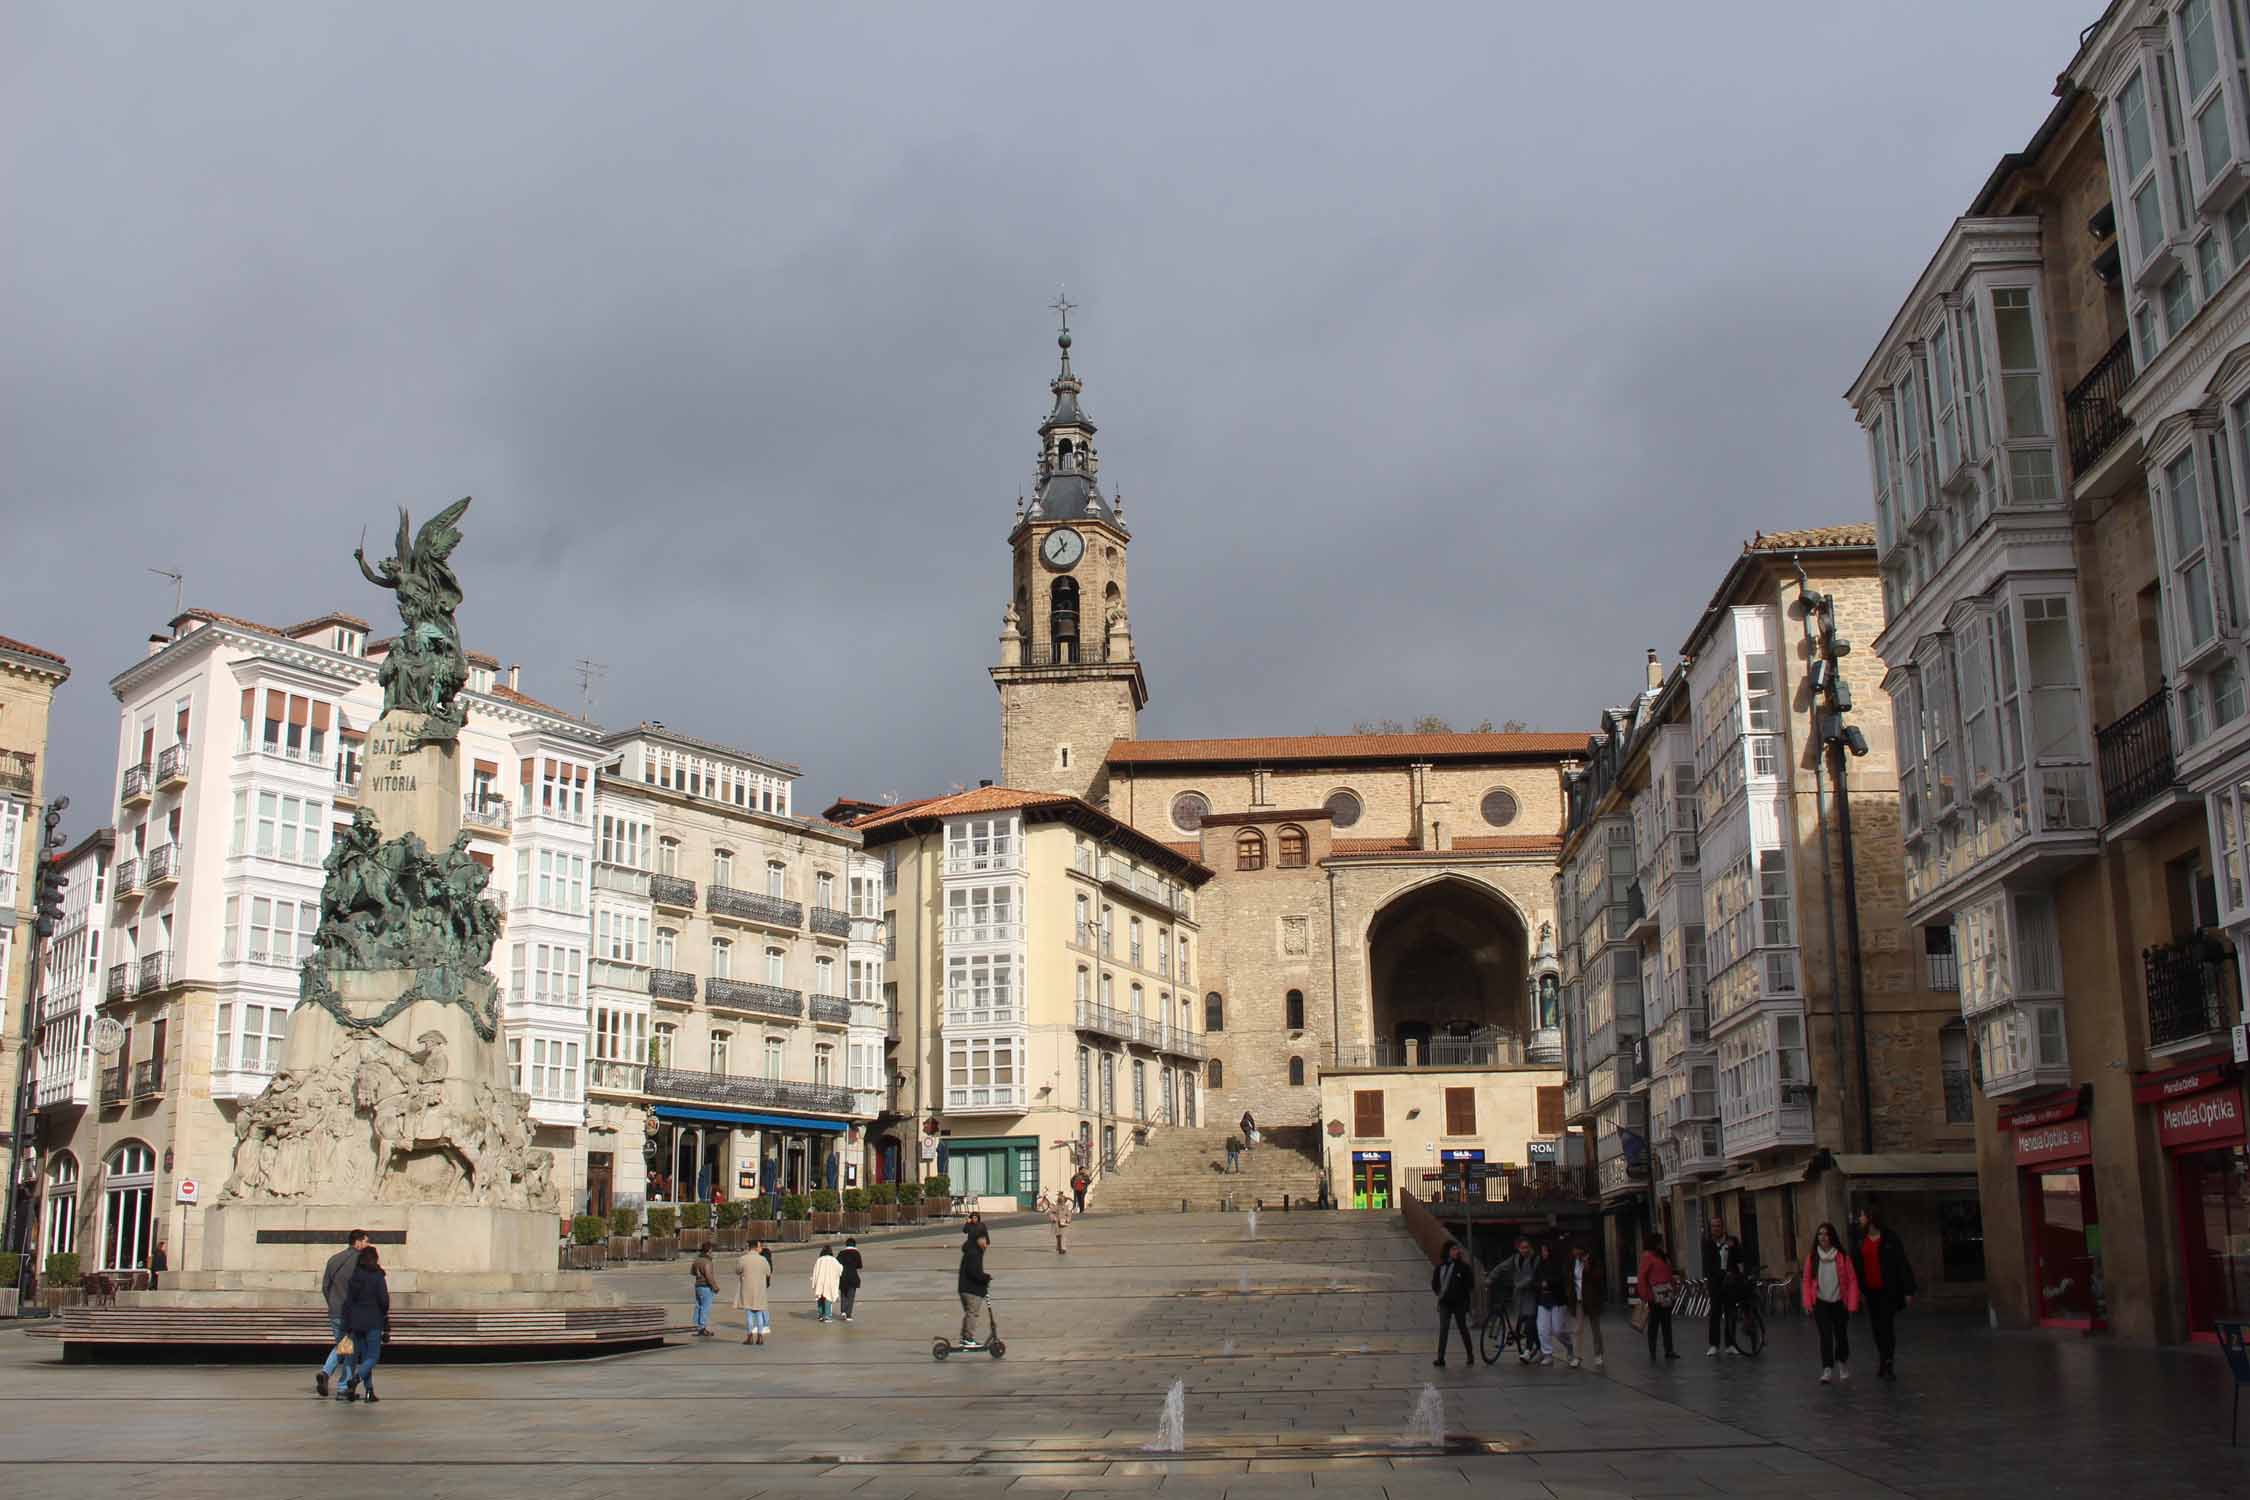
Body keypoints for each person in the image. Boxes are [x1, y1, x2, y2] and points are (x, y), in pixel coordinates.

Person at [1853, 1207, 1917, 1380]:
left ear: (1871, 1218)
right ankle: (1883, 1358)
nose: (1860, 1219)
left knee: (1886, 1325)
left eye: (1862, 1215)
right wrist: (1856, 1290)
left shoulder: (1890, 1238)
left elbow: (1902, 1263)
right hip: (1870, 1291)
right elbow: (1855, 1267)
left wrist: (1908, 1290)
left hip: (1888, 1290)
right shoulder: (1860, 1240)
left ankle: (1888, 1362)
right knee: (1876, 1328)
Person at [315, 1228, 373, 1398]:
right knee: (350, 1349)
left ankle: (327, 1375)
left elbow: (325, 1287)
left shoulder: (334, 1259)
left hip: (335, 1311)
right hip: (352, 1312)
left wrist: (332, 1303)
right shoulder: (361, 1261)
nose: (368, 1244)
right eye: (366, 1241)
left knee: (344, 1345)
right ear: (359, 1242)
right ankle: (341, 1386)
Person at [1801, 1221, 1861, 1384]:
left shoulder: (1842, 1257)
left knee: (1841, 1335)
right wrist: (1807, 1303)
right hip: (1821, 1302)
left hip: (1839, 1302)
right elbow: (1806, 1280)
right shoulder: (1812, 1258)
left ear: (1832, 1236)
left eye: (1826, 1234)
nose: (1823, 1237)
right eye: (1820, 1234)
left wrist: (1852, 1304)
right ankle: (1827, 1368)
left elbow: (1852, 1280)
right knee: (1825, 1336)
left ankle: (1842, 1362)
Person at [335, 1246, 390, 1403]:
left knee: (365, 1358)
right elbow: (384, 1300)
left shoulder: (355, 1276)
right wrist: (385, 1314)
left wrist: (346, 1324)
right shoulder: (378, 1276)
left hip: (356, 1322)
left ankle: (369, 1391)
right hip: (373, 1321)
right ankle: (356, 1379)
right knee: (373, 1356)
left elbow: (348, 1302)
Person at [1431, 1241, 1475, 1367]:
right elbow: (1435, 1283)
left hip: (1459, 1304)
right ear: (1447, 1251)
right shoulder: (1440, 1267)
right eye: (1454, 1249)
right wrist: (1440, 1293)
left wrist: (1463, 1298)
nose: (1457, 1251)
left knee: (1463, 1328)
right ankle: (1440, 1357)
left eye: (1457, 1249)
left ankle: (1470, 1354)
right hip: (1445, 1303)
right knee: (1444, 1329)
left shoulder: (1463, 1267)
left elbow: (1470, 1285)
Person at [1636, 1236, 1680, 1360]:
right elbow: (1642, 1276)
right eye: (1661, 1242)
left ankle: (1669, 1350)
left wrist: (1674, 1287)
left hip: (1666, 1292)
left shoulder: (1663, 1256)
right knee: (1654, 1324)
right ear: (1655, 1243)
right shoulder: (1647, 1256)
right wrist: (1645, 1294)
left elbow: (1668, 1273)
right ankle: (1653, 1351)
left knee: (1666, 1322)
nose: (1662, 1244)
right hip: (1654, 1294)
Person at [1532, 1240, 1573, 1368]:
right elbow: (1535, 1280)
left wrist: (1547, 1283)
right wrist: (1540, 1285)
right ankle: (1547, 1354)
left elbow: (1561, 1279)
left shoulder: (1559, 1264)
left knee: (1558, 1330)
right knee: (1542, 1329)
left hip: (1557, 1300)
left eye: (1545, 1250)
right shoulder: (1540, 1265)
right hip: (1543, 1300)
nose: (1543, 1253)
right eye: (1542, 1250)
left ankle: (1569, 1346)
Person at [1701, 1222, 1739, 1356]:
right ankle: (1714, 1345)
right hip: (1716, 1283)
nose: (1715, 1229)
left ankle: (1730, 1344)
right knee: (1715, 1314)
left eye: (1718, 1226)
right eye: (1713, 1226)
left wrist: (1734, 1248)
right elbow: (1707, 1264)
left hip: (1730, 1283)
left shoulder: (1732, 1240)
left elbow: (1739, 1259)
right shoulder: (1708, 1243)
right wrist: (1707, 1281)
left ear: (1723, 1227)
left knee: (1731, 1313)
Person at [1567, 1242, 1605, 1370]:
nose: (1574, 1252)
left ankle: (1598, 1354)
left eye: (1576, 1250)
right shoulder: (1572, 1262)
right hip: (1578, 1299)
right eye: (1573, 1250)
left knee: (1595, 1328)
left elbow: (1598, 1277)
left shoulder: (1593, 1261)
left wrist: (1587, 1265)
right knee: (1578, 1329)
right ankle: (1578, 1356)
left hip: (1591, 1299)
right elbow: (1569, 1278)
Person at [1506, 1236, 1541, 1363]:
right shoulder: (1516, 1258)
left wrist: (1518, 1285)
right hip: (1520, 1297)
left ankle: (1528, 1349)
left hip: (1533, 1295)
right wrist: (1491, 1278)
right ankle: (1539, 1346)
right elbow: (1503, 1266)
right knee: (1524, 1325)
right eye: (1522, 1248)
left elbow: (1531, 1277)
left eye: (1526, 1247)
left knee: (1530, 1322)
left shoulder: (1535, 1259)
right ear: (1518, 1249)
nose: (1524, 1250)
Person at [958, 1224, 993, 1348]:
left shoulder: (973, 1250)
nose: (986, 1243)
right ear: (978, 1238)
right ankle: (968, 1338)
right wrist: (985, 1277)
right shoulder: (974, 1252)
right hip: (970, 1289)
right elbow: (973, 1272)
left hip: (966, 1288)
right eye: (984, 1240)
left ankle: (964, 1337)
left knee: (969, 1313)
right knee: (972, 1313)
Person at [736, 1236, 772, 1346]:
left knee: (749, 1315)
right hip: (760, 1289)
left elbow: (737, 1271)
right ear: (756, 1247)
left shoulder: (743, 1259)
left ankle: (750, 1336)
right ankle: (760, 1337)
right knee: (759, 1313)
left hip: (747, 1289)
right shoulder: (763, 1260)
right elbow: (768, 1272)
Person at [690, 1242, 719, 1338]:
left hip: (698, 1286)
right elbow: (708, 1275)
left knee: (698, 1306)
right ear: (709, 1250)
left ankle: (697, 1326)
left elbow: (693, 1272)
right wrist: (715, 1286)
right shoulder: (707, 1261)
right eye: (711, 1250)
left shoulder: (697, 1260)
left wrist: (698, 1274)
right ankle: (702, 1327)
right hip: (705, 1286)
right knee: (705, 1307)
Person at [811, 1243, 844, 1323]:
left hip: (820, 1281)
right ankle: (827, 1316)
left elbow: (815, 1271)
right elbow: (840, 1269)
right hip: (829, 1282)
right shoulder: (833, 1260)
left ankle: (821, 1315)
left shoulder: (819, 1260)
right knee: (828, 1298)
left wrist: (814, 1281)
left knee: (820, 1297)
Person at [838, 1237, 864, 1322]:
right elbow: (860, 1266)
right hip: (853, 1277)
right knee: (851, 1296)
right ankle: (848, 1315)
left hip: (843, 1277)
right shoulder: (856, 1253)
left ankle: (843, 1311)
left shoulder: (841, 1253)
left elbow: (837, 1264)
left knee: (843, 1295)